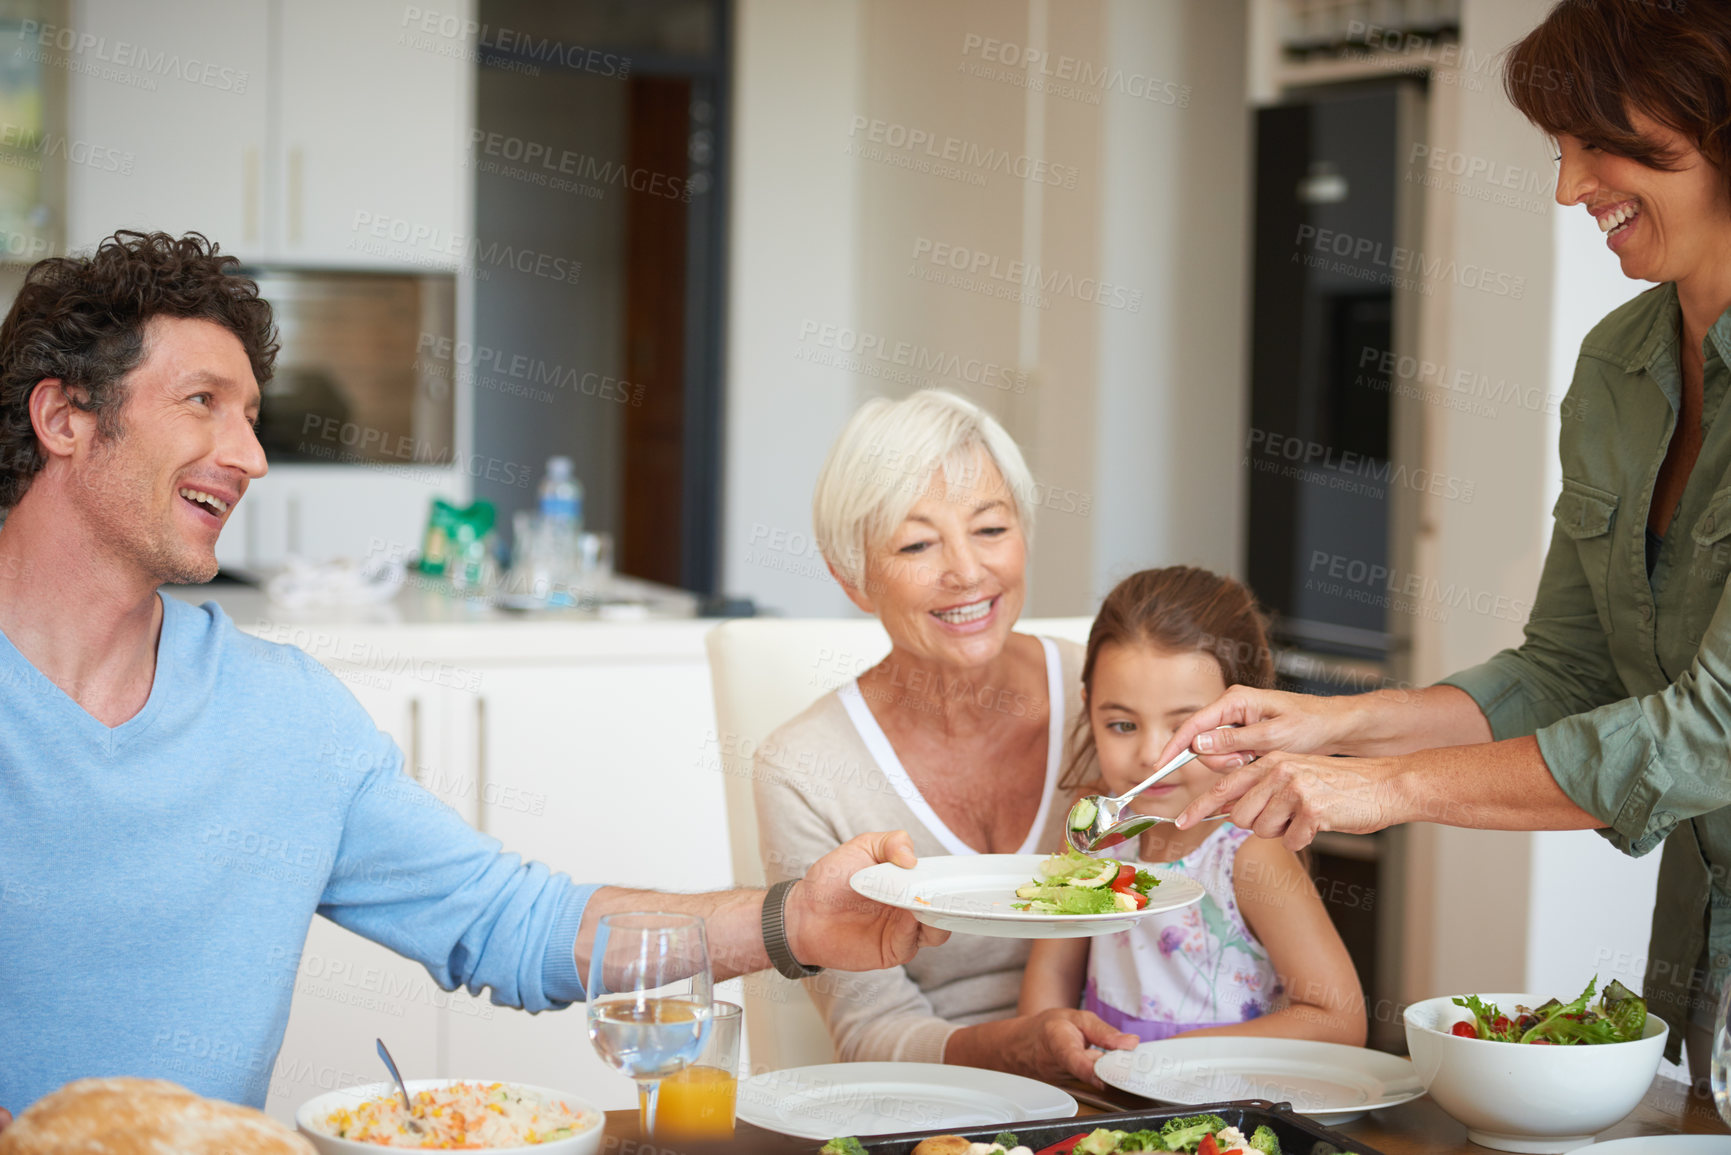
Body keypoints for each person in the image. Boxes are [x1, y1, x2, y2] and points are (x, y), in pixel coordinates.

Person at [0, 231, 946, 1119]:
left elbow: (512, 922)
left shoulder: (283, 715)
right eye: (203, 401)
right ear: (65, 417)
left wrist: (792, 922)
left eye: (252, 416)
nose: (249, 456)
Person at [1154, 0, 1731, 1085]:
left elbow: (1713, 731)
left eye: (1596, 143)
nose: (1571, 188)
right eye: (1562, 150)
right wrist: (1339, 725)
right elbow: (1569, 666)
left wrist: (1392, 788)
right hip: (1704, 946)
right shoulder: (1620, 363)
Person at [753, 390, 1139, 1086]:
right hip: (936, 1102)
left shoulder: (1116, 706)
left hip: (1136, 1078)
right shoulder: (801, 766)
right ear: (852, 576)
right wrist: (1021, 1049)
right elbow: (869, 1028)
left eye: (990, 529)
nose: (965, 570)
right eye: (916, 543)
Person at [1018, 568, 1364, 1045]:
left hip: (1215, 1110)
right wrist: (1046, 1057)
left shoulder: (1247, 854)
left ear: (1247, 721)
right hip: (1102, 1098)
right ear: (1089, 707)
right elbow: (1052, 975)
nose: (1151, 757)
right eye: (1122, 725)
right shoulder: (1092, 831)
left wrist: (1169, 1061)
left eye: (1187, 734)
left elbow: (1339, 1021)